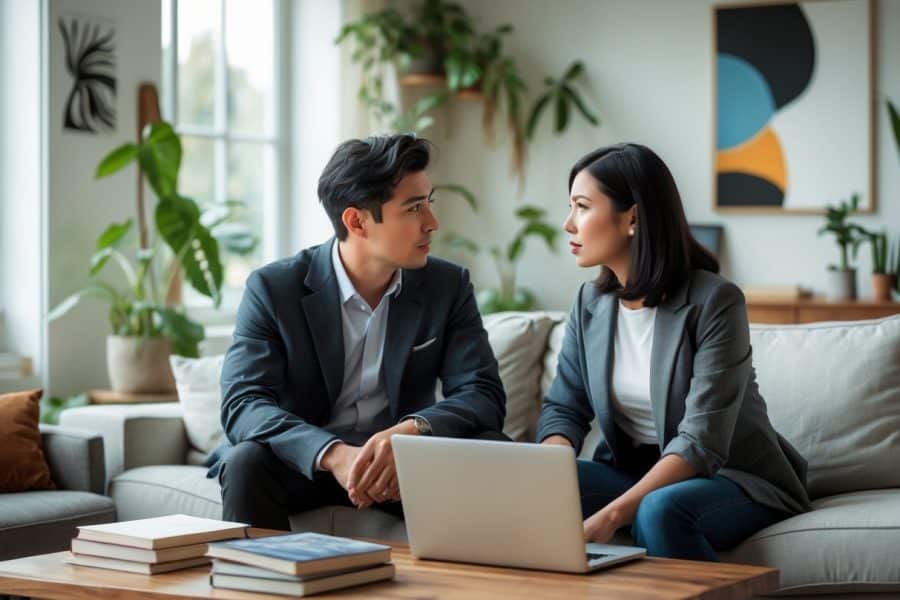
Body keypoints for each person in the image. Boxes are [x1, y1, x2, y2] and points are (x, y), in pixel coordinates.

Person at [207, 133, 506, 530]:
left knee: (495, 451)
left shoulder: (446, 286)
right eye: (414, 208)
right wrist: (333, 454)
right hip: (307, 464)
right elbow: (244, 403)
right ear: (357, 221)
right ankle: (261, 586)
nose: (432, 223)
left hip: (402, 467)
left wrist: (410, 432)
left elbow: (481, 394)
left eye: (429, 203)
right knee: (246, 461)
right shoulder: (275, 289)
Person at [537, 143, 811, 560]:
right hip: (633, 471)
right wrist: (550, 474)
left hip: (731, 477)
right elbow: (564, 408)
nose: (568, 224)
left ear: (632, 218)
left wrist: (611, 516)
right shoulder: (589, 305)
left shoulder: (715, 302)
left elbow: (700, 442)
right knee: (534, 491)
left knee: (660, 510)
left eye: (582, 206)